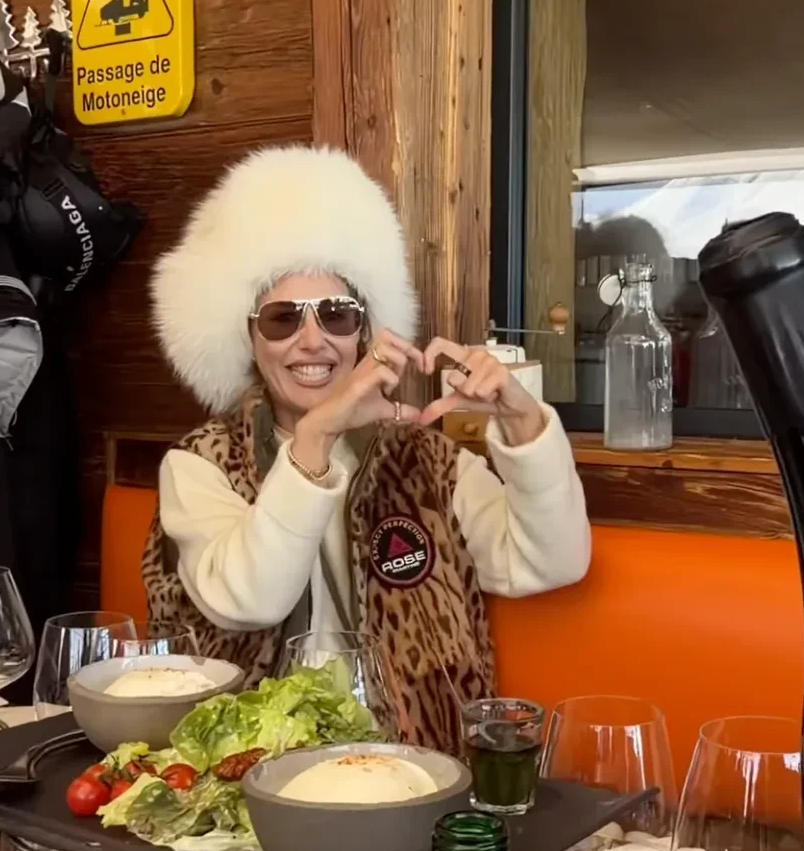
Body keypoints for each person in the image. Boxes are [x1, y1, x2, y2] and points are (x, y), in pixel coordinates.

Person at [143, 145, 591, 751]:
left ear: (363, 333)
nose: (312, 341)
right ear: (248, 337)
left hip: (411, 764)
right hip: (253, 768)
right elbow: (248, 599)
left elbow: (552, 561)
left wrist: (522, 418)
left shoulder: (427, 461)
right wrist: (316, 436)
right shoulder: (200, 466)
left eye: (336, 315)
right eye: (282, 319)